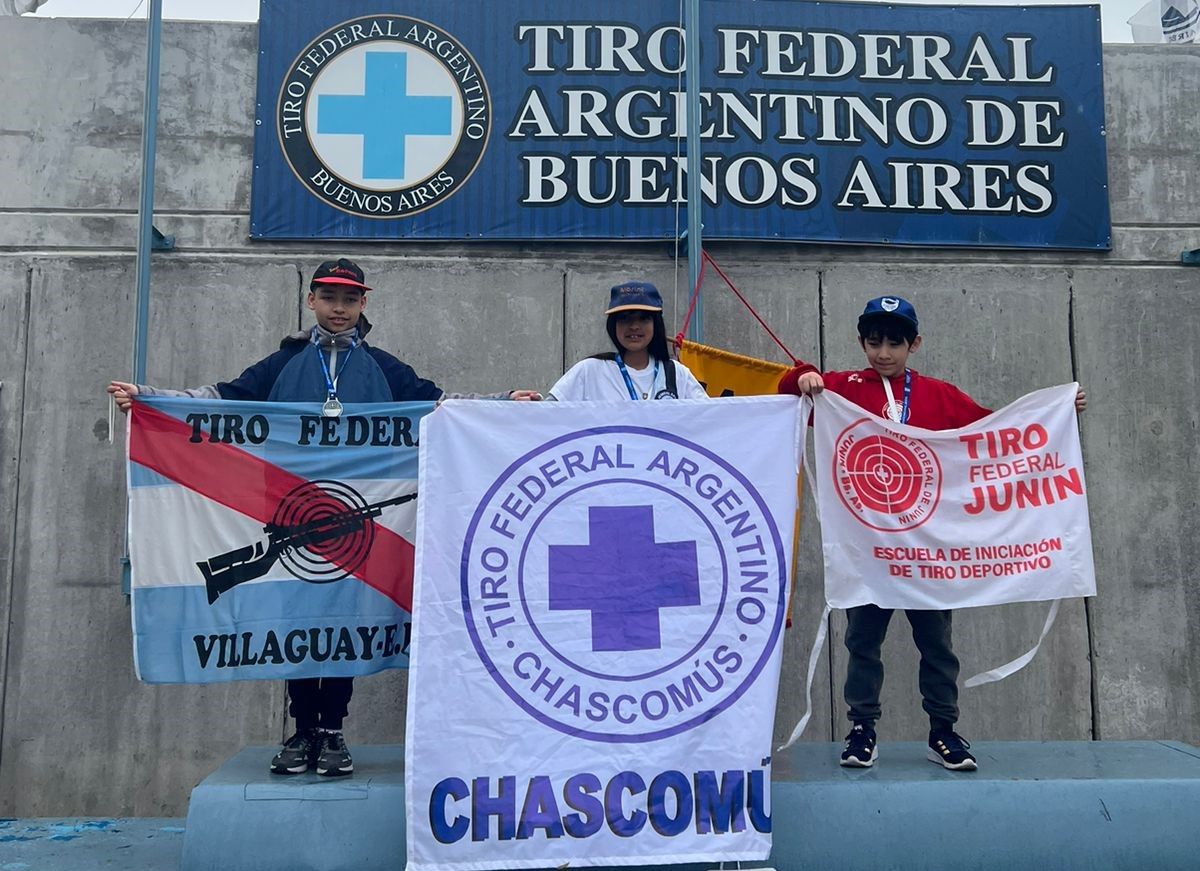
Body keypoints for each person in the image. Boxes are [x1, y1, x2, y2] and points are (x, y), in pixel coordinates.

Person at [109, 258, 537, 778]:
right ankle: (302, 730)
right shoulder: (281, 363)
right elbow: (218, 401)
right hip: (286, 508)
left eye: (350, 298)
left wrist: (504, 404)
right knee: (299, 622)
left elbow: (445, 407)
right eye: (330, 297)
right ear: (310, 300)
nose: (339, 308)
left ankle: (333, 729)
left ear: (364, 304)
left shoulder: (384, 366)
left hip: (355, 525)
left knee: (343, 623)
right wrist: (149, 400)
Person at [779, 295, 1086, 772]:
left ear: (914, 344)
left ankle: (943, 731)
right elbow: (786, 389)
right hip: (869, 550)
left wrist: (1057, 414)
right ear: (861, 342)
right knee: (862, 643)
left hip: (928, 551)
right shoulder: (841, 389)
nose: (884, 353)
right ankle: (862, 731)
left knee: (937, 646)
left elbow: (995, 430)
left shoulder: (938, 394)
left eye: (895, 343)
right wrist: (802, 376)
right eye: (874, 342)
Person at [547, 281, 708, 401]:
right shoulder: (590, 371)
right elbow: (548, 413)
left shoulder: (677, 374)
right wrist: (526, 404)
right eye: (625, 319)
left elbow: (710, 419)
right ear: (613, 325)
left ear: (656, 324)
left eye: (643, 319)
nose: (634, 326)